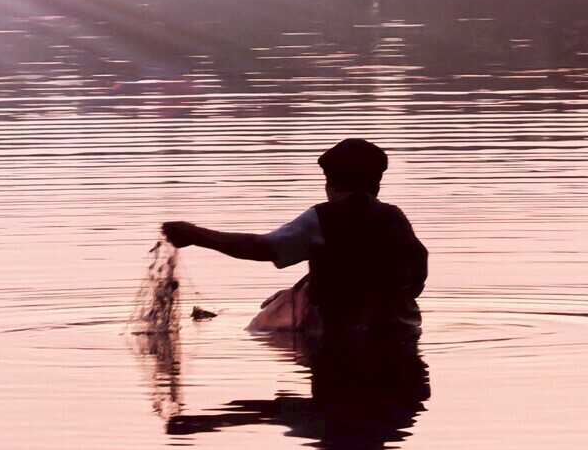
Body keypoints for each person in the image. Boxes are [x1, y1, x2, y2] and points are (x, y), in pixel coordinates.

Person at [162, 138, 428, 344]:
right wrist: (302, 293)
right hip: (401, 330)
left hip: (343, 337)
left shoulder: (325, 217)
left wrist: (196, 235)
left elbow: (262, 248)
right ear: (377, 184)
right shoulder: (394, 217)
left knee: (314, 409)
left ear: (330, 184)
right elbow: (408, 267)